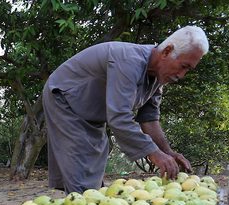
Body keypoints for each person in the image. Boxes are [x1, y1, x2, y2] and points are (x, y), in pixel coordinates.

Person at [42, 26, 209, 193]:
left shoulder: (158, 78)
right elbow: (119, 117)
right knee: (80, 156)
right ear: (167, 51)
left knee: (95, 156)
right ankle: (79, 204)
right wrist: (154, 154)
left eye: (188, 70)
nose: (181, 75)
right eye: (183, 66)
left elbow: (149, 119)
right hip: (64, 98)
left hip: (91, 111)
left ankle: (88, 200)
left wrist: (167, 152)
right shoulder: (128, 61)